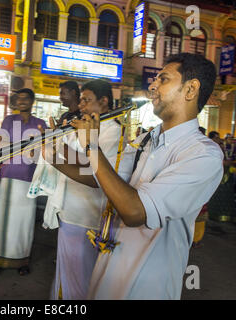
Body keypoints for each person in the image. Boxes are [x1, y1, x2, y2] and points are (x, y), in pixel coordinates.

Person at [45, 53, 224, 299]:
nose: (152, 85)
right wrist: (51, 151)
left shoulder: (204, 155)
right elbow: (99, 176)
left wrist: (91, 146)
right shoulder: (145, 139)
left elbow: (135, 212)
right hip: (111, 263)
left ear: (191, 89)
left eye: (163, 79)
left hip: (148, 281)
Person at [33, 79, 122, 299]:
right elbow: (82, 160)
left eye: (86, 100)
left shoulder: (112, 131)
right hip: (70, 211)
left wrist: (55, 160)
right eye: (81, 100)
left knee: (80, 283)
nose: (81, 105)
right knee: (68, 277)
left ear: (104, 101)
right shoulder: (82, 125)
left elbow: (96, 176)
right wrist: (56, 142)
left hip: (87, 218)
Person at [0, 88, 47, 280]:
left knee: (24, 222)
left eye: (26, 98)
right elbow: (2, 146)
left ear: (32, 101)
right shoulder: (9, 121)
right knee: (3, 221)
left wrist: (34, 149)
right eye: (18, 98)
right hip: (9, 175)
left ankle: (22, 260)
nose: (21, 101)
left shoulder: (40, 124)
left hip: (28, 178)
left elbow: (42, 151)